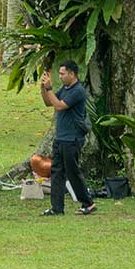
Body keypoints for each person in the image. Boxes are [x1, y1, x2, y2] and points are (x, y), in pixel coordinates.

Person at [40, 60, 97, 216]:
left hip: (72, 139)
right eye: (59, 73)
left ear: (72, 74)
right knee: (56, 172)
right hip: (60, 138)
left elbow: (59, 106)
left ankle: (88, 203)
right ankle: (57, 208)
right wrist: (44, 88)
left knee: (72, 172)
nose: (60, 76)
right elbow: (48, 102)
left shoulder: (77, 91)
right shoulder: (65, 89)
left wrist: (50, 87)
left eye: (63, 73)